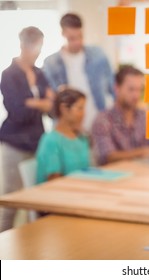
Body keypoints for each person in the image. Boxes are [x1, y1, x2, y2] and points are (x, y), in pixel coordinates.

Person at [0, 26, 54, 232]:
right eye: (33, 45)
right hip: (14, 143)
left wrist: (31, 102)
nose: (37, 50)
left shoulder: (40, 73)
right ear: (23, 44)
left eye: (40, 45)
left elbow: (51, 105)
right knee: (11, 197)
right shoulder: (9, 74)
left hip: (36, 141)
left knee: (37, 196)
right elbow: (17, 111)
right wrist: (40, 102)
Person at [43, 12, 115, 132]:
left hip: (99, 125)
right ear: (62, 33)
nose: (77, 42)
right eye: (71, 38)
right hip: (69, 129)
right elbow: (51, 101)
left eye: (80, 36)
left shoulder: (98, 55)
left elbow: (113, 88)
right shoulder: (51, 63)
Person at [91, 65, 149, 166]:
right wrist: (144, 152)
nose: (136, 95)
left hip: (145, 175)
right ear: (117, 88)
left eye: (139, 90)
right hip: (116, 178)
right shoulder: (103, 120)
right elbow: (108, 156)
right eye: (131, 89)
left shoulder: (145, 116)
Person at [36, 88, 90, 183]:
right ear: (64, 109)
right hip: (56, 193)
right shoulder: (51, 140)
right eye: (80, 108)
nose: (84, 113)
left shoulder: (81, 138)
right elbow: (54, 180)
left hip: (80, 191)